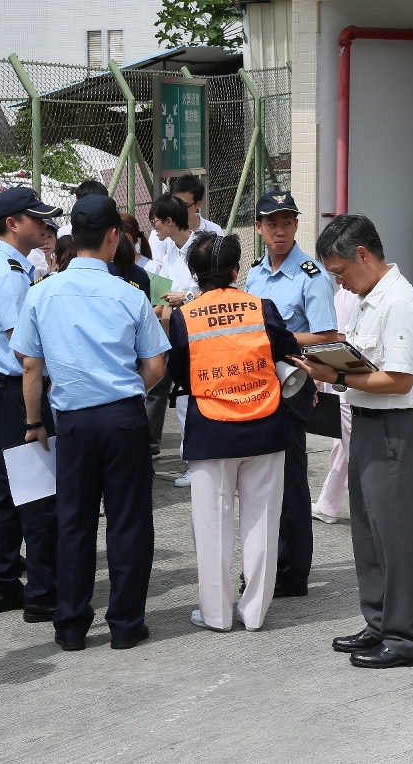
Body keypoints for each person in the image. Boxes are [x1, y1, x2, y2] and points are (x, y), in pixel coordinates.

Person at [13, 194, 169, 650]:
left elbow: (29, 366)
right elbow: (156, 366)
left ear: (69, 238)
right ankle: (124, 624)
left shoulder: (41, 292)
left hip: (73, 421)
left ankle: (72, 625)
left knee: (74, 522)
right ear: (113, 237)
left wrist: (33, 422)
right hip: (123, 418)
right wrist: (128, 388)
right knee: (128, 522)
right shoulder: (130, 294)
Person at [290, 214, 413, 670]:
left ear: (363, 256)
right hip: (370, 425)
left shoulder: (399, 304)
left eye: (340, 272)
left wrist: (334, 374)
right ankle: (379, 623)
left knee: (396, 538)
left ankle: (407, 638)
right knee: (368, 534)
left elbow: (397, 380)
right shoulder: (371, 297)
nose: (341, 283)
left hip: (396, 428)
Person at [169, 232, 302, 631]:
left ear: (195, 274)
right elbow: (288, 346)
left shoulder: (184, 316)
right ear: (235, 269)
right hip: (265, 426)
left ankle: (217, 615)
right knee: (262, 523)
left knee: (212, 526)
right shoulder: (262, 308)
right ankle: (255, 613)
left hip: (212, 431)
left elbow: (178, 371)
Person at [0, 186, 64, 618]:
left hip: (1, 391)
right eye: (36, 218)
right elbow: (24, 351)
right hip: (13, 393)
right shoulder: (9, 273)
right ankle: (41, 593)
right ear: (12, 223)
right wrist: (34, 414)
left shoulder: (7, 266)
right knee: (38, 495)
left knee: (7, 492)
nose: (44, 226)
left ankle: (4, 583)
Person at [245, 190, 339, 598]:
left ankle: (292, 572)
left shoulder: (310, 274)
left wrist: (276, 339)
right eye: (271, 223)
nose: (279, 230)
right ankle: (266, 564)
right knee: (260, 480)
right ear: (259, 228)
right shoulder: (254, 274)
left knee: (291, 483)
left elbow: (326, 335)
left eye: (286, 222)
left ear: (296, 225)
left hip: (294, 385)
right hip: (260, 384)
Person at [147, 194, 207, 484]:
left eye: (156, 222)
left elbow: (220, 289)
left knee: (191, 399)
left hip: (199, 333)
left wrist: (187, 296)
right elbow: (159, 293)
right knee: (182, 399)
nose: (154, 229)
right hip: (175, 333)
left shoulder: (202, 246)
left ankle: (197, 464)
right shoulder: (170, 249)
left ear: (170, 221)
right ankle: (192, 462)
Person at [312, 286, 358, 524]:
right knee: (342, 446)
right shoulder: (353, 293)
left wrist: (318, 377)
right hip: (349, 383)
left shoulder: (347, 295)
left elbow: (338, 342)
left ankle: (371, 506)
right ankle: (328, 505)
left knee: (352, 448)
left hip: (345, 384)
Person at [148, 174, 223, 266]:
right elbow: (158, 272)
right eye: (173, 203)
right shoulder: (158, 235)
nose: (176, 209)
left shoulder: (214, 231)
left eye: (184, 205)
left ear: (198, 204)